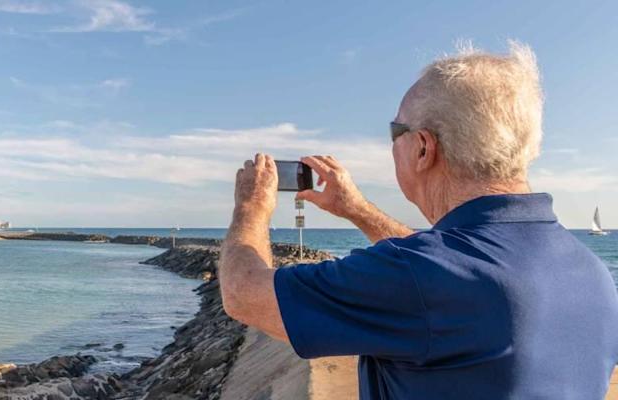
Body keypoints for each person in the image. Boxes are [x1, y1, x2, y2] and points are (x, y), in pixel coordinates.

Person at [219, 42, 618, 399]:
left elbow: (244, 294)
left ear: (424, 147)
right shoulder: (590, 272)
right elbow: (450, 268)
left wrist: (251, 205)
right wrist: (355, 208)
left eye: (396, 131)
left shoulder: (421, 275)